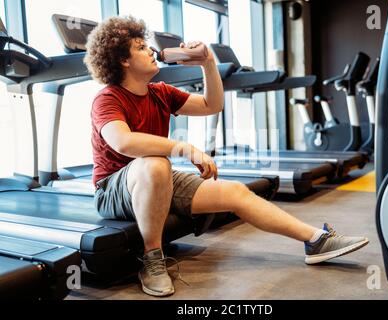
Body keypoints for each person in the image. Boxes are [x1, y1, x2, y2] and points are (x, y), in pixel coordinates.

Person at [84, 16, 369, 297]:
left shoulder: (160, 93)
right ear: (123, 60)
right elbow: (123, 142)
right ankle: (152, 260)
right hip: (113, 190)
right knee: (155, 163)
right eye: (140, 47)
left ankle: (315, 240)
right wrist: (184, 147)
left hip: (156, 178)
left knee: (233, 191)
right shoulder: (107, 98)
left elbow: (212, 104)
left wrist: (208, 63)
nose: (150, 50)